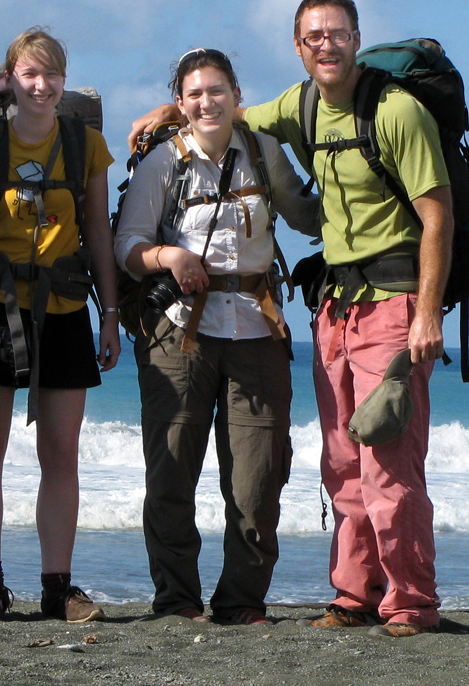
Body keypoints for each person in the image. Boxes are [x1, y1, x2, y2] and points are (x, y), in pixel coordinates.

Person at [129, 0, 452, 637]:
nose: (325, 44)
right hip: (334, 307)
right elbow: (225, 111)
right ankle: (353, 595)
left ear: (357, 38)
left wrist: (429, 314)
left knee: (388, 465)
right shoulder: (297, 105)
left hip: (394, 300)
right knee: (341, 463)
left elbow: (437, 215)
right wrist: (176, 109)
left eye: (336, 33)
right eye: (312, 36)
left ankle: (411, 602)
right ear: (298, 48)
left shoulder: (398, 112)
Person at [114, 49, 319, 625]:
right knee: (171, 473)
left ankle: (242, 602)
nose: (207, 102)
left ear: (235, 95)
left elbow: (307, 216)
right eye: (195, 93)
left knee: (257, 480)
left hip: (257, 328)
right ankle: (176, 601)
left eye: (217, 90)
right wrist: (168, 255)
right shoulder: (162, 163)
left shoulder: (262, 150)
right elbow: (125, 249)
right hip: (178, 330)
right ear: (180, 102)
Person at [0, 27, 120, 623]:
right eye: (30, 74)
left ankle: (57, 588)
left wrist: (112, 316)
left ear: (64, 80)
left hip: (66, 312)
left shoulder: (86, 145)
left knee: (61, 455)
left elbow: (99, 234)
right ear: (12, 78)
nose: (41, 85)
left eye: (51, 75)